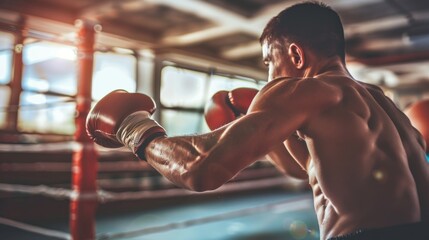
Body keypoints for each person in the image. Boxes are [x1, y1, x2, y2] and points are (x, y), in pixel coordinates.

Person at [86, 2, 429, 239]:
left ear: (295, 54)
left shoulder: (302, 90)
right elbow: (311, 171)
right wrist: (254, 126)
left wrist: (133, 129)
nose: (268, 73)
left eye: (269, 61)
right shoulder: (388, 108)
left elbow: (202, 168)